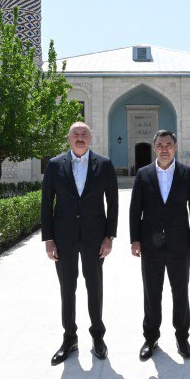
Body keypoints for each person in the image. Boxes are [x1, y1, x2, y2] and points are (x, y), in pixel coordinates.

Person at [41, 121, 119, 365]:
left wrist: (109, 236)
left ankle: (98, 336)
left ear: (91, 138)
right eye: (76, 134)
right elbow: (46, 204)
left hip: (94, 238)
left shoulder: (104, 165)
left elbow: (113, 204)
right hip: (63, 238)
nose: (80, 137)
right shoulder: (55, 166)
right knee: (67, 288)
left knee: (94, 287)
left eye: (84, 134)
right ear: (69, 138)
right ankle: (69, 338)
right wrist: (49, 239)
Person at [129, 129, 190, 361]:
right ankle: (150, 337)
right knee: (152, 293)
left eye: (168, 144)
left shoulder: (187, 174)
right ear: (154, 148)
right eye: (160, 145)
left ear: (175, 147)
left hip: (179, 245)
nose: (164, 149)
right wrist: (135, 239)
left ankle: (182, 337)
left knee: (180, 292)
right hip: (150, 246)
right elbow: (135, 210)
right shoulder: (143, 174)